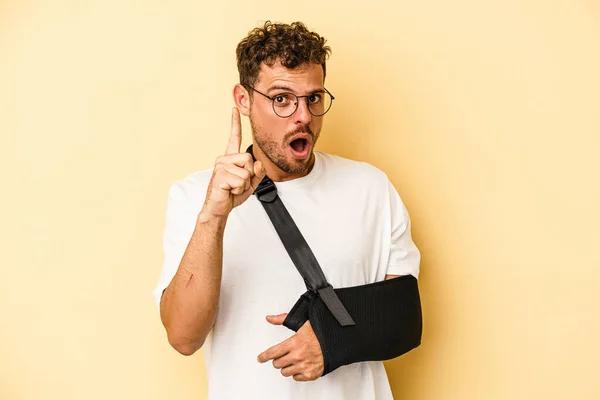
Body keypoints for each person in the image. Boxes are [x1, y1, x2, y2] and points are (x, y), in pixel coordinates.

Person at [152, 21, 421, 400]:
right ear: (244, 99)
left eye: (313, 98)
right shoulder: (194, 195)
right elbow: (182, 337)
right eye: (281, 99)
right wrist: (213, 216)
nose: (303, 117)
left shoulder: (371, 187)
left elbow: (403, 318)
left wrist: (331, 341)